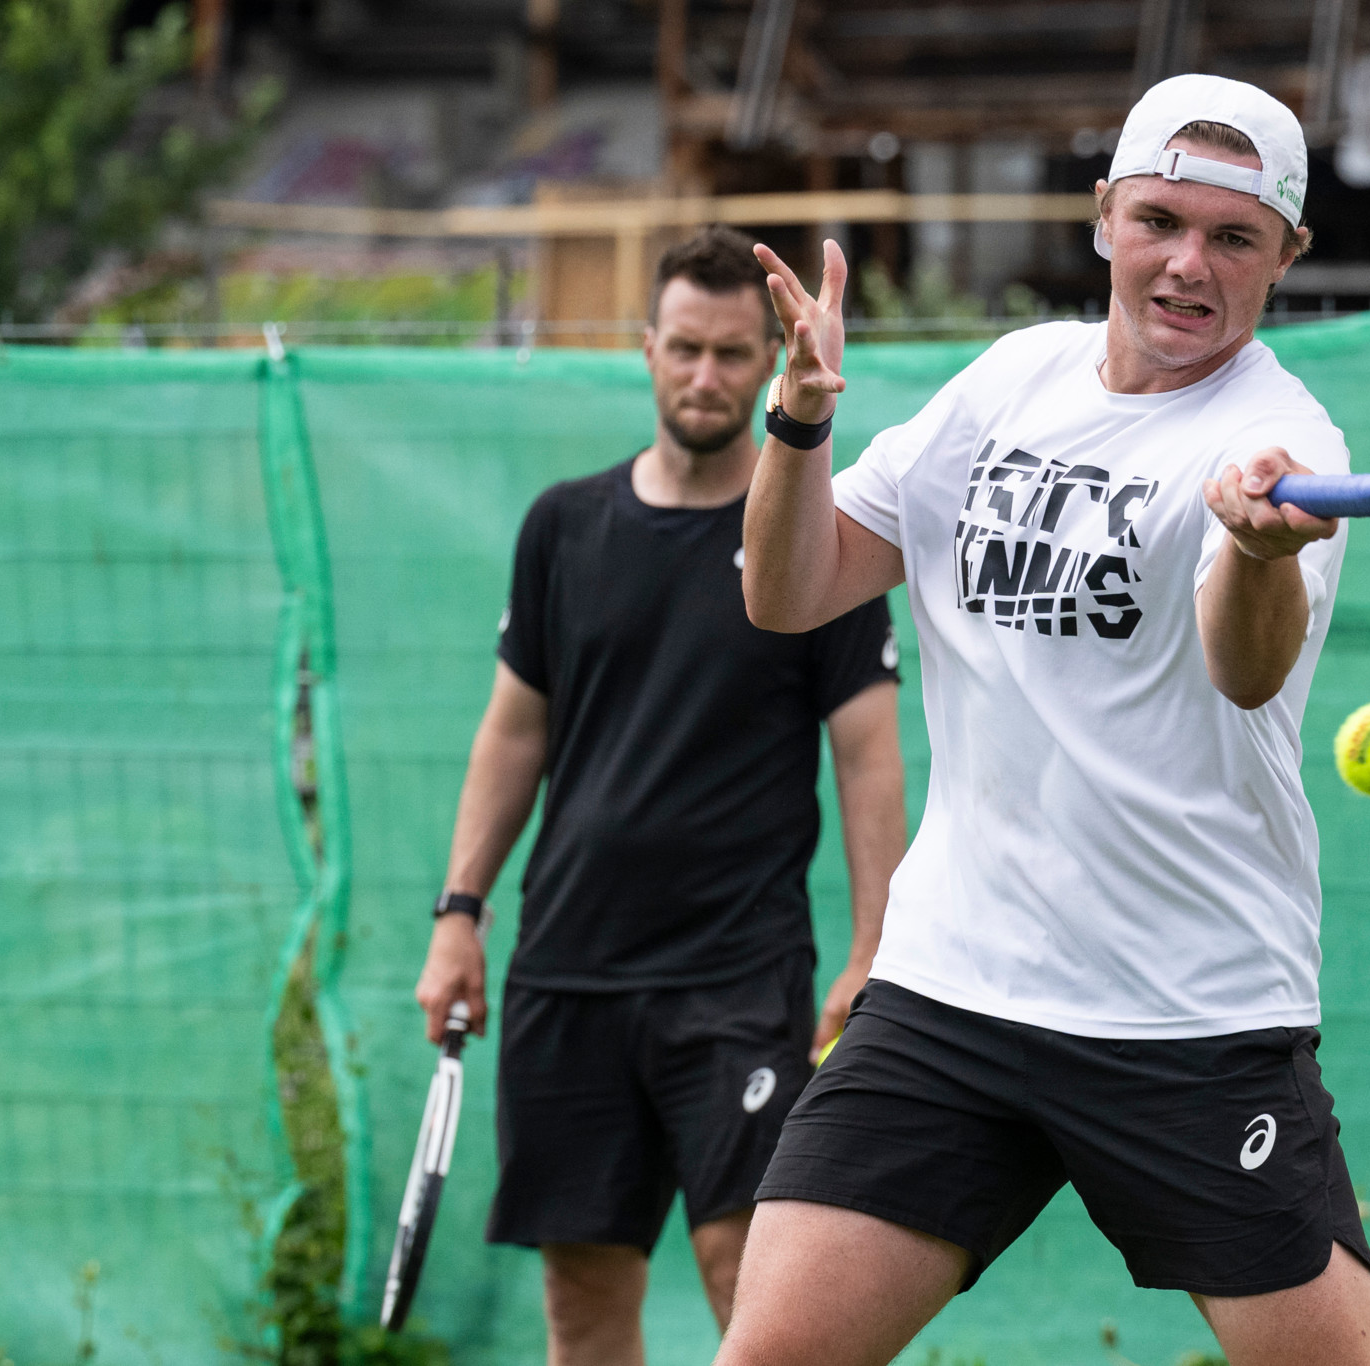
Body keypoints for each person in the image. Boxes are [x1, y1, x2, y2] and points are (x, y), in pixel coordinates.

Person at [728, 74, 1370, 1366]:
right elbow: (787, 589)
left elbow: (1245, 670)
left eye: (1233, 237)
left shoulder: (1278, 438)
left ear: (1285, 258)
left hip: (1185, 1011)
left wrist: (1258, 552)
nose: (1188, 263)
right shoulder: (1010, 380)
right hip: (952, 989)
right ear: (1104, 216)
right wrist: (801, 416)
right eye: (1160, 219)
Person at [412, 226, 908, 1366]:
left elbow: (868, 756)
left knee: (760, 1295)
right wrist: (458, 914)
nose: (705, 377)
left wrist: (872, 944)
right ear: (645, 349)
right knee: (582, 1308)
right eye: (684, 349)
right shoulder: (562, 526)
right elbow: (514, 729)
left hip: (737, 981)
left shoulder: (815, 545)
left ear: (770, 363)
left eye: (734, 355)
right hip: (566, 974)